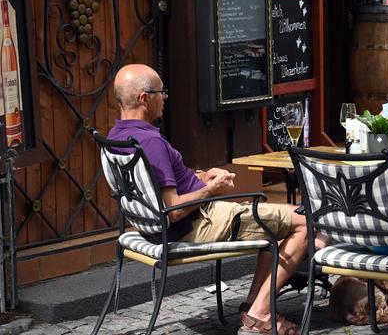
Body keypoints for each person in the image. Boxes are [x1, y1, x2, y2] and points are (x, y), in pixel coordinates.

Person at [107, 64, 325, 335]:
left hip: (162, 227)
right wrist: (213, 189)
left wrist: (202, 176)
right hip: (196, 224)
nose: (165, 98)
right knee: (307, 220)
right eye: (161, 92)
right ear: (144, 98)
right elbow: (173, 209)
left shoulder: (116, 138)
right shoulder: (150, 142)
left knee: (284, 225)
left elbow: (161, 186)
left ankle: (253, 306)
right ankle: (260, 313)